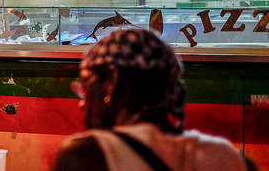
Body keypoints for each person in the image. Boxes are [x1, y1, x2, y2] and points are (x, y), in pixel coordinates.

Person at [52, 28, 257, 171]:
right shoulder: (234, 159)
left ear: (112, 81)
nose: (82, 103)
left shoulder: (86, 156)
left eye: (86, 89)